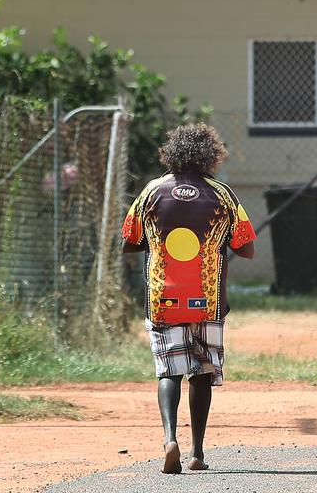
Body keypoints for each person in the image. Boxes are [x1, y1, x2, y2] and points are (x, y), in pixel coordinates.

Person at [122, 123, 256, 474]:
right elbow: (248, 249)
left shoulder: (152, 191)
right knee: (202, 372)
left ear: (172, 154)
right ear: (211, 157)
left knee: (169, 370)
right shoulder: (224, 194)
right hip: (207, 299)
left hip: (163, 297)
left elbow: (129, 241)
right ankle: (197, 453)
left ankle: (169, 439)